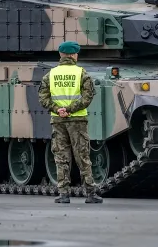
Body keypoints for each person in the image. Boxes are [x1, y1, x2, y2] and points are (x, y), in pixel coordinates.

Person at [37, 41, 103, 204]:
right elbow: (87, 97)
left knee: (61, 156)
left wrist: (57, 108)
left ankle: (64, 193)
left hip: (58, 120)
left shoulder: (50, 74)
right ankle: (90, 193)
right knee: (82, 156)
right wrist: (70, 109)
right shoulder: (81, 73)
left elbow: (42, 97)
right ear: (74, 55)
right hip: (77, 120)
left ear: (61, 55)